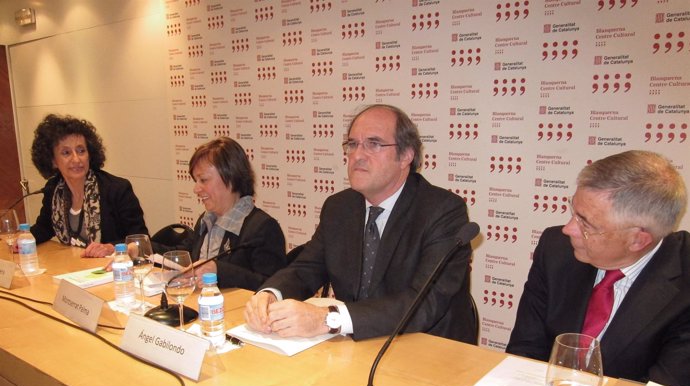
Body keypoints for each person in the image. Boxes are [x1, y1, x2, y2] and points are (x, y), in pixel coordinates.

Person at [244, 104, 476, 343]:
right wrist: (271, 294)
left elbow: (424, 302)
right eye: (353, 144)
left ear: (406, 155)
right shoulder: (339, 207)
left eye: (373, 144)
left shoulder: (443, 211)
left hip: (429, 351)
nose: (357, 155)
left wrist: (327, 319)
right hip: (359, 347)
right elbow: (306, 268)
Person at [507, 150, 690, 386]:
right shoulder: (556, 249)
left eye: (586, 224)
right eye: (574, 212)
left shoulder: (683, 282)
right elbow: (525, 352)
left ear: (637, 240)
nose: (568, 229)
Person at [156, 137, 286, 291]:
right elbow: (186, 256)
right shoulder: (207, 219)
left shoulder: (262, 228)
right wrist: (144, 249)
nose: (196, 189)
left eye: (203, 180)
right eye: (195, 180)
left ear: (230, 177)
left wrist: (219, 271)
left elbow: (273, 286)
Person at [30, 114, 148, 258]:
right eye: (66, 153)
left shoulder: (117, 189)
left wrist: (111, 248)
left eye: (81, 151)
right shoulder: (54, 190)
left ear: (90, 154)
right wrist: (22, 239)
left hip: (116, 270)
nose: (76, 159)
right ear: (53, 160)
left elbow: (142, 241)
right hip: (75, 270)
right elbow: (44, 228)